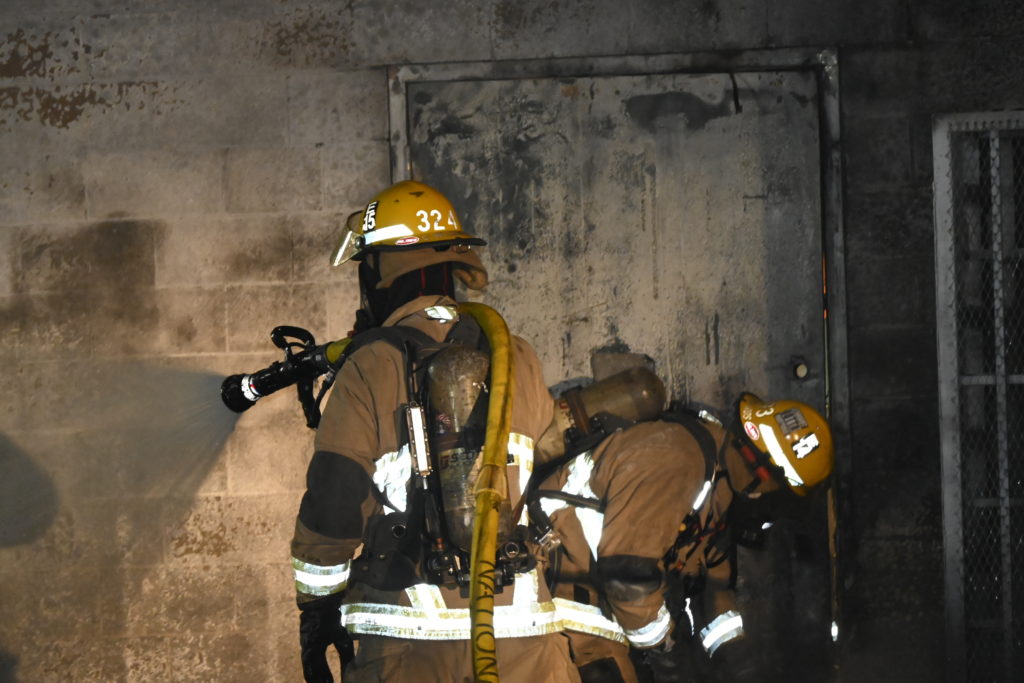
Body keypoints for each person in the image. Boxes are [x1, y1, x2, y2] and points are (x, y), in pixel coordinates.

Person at [289, 179, 581, 683]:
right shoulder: (516, 354)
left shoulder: (375, 363)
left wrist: (316, 609)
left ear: (378, 274)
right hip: (526, 638)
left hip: (411, 645)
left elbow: (334, 506)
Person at [532, 382, 834, 683]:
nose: (770, 508)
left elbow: (714, 590)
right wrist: (670, 657)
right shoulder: (676, 460)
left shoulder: (718, 491)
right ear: (761, 469)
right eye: (777, 494)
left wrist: (740, 664)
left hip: (608, 606)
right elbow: (627, 577)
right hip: (564, 593)